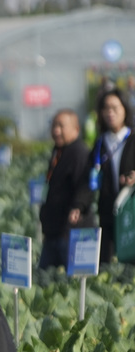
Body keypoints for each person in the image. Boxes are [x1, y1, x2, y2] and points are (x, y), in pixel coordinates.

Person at [74, 88, 135, 264]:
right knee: (106, 262)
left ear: (125, 109)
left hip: (130, 213)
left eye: (115, 108)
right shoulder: (100, 143)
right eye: (106, 108)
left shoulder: (132, 138)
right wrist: (79, 205)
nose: (110, 113)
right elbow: (89, 178)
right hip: (108, 211)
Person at [38, 110, 90, 269]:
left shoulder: (79, 152)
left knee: (70, 276)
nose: (56, 131)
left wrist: (78, 206)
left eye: (61, 126)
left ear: (76, 129)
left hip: (69, 232)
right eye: (54, 126)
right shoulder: (58, 151)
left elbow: (85, 184)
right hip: (53, 231)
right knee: (45, 276)